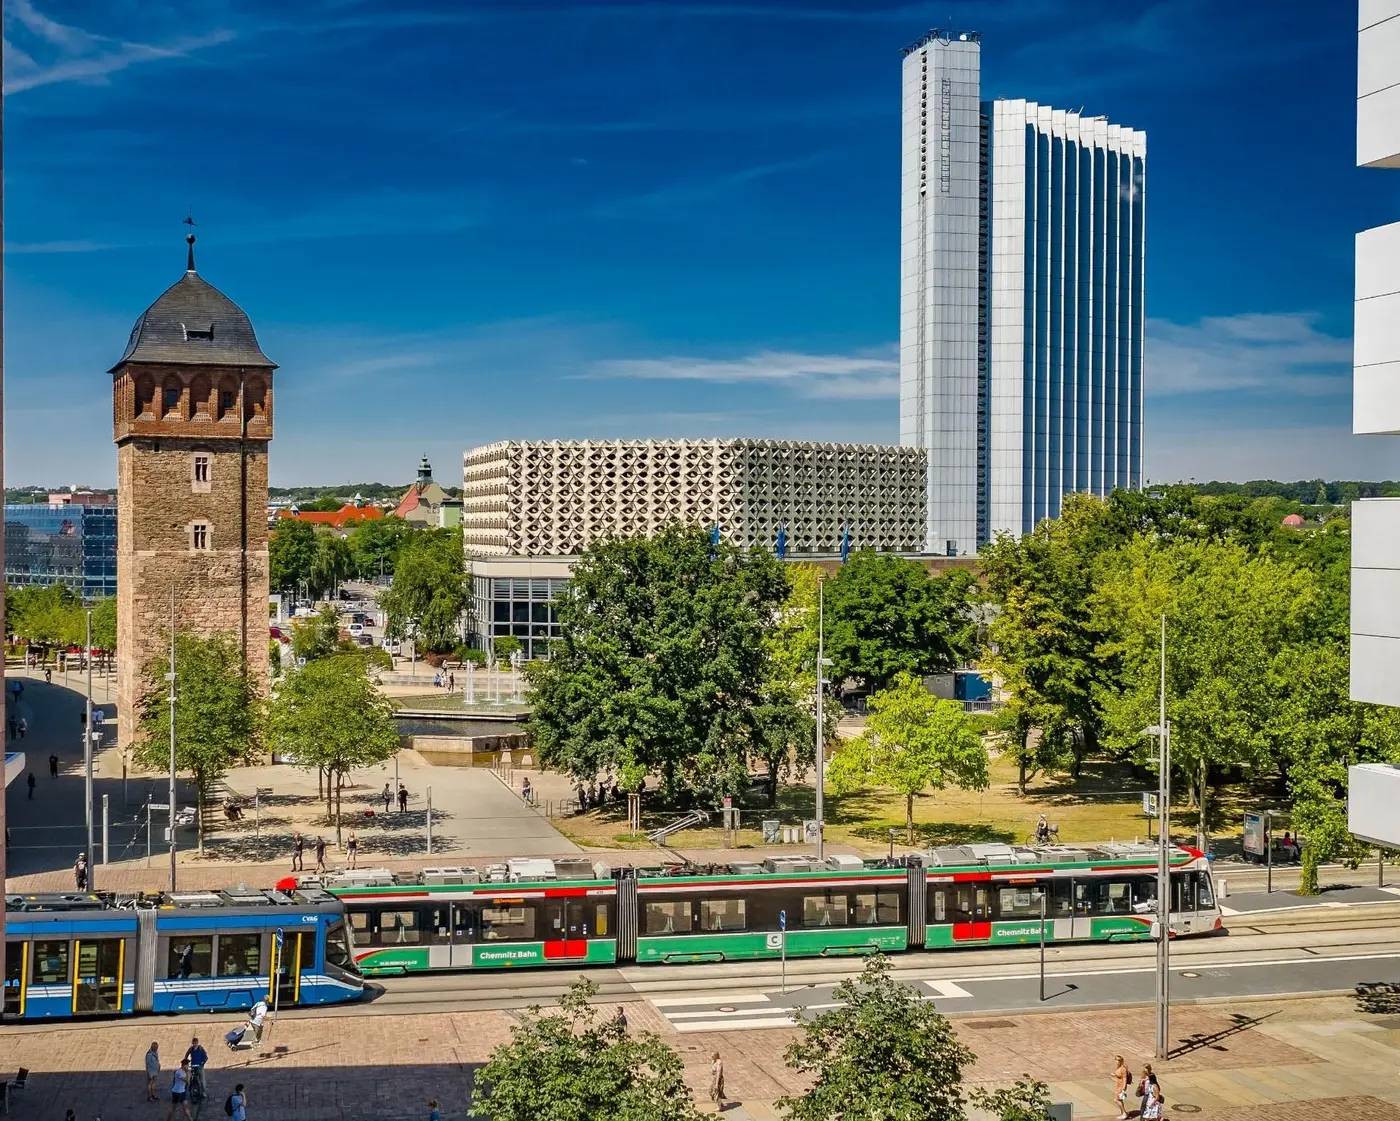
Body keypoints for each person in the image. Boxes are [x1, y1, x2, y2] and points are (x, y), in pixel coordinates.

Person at [183, 1039, 208, 1103]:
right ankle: (190, 1088)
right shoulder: (191, 1049)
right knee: (190, 1078)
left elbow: (206, 1057)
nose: (194, 1044)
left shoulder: (200, 1049)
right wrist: (186, 1061)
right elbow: (187, 1054)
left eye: (195, 1043)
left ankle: (203, 1092)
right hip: (193, 1066)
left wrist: (202, 1063)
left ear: (197, 1043)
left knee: (202, 1080)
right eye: (193, 1043)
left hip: (200, 1067)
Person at [1113, 1055, 1131, 1120]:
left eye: (1117, 1060)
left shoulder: (1123, 1069)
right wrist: (1114, 1075)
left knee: (1116, 1100)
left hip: (1121, 1086)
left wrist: (1123, 1088)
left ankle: (1124, 1113)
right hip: (1118, 1086)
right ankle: (1123, 1112)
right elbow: (1119, 1075)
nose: (1116, 1062)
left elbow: (1125, 1078)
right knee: (1120, 1100)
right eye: (1115, 1060)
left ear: (1120, 1061)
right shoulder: (1119, 1067)